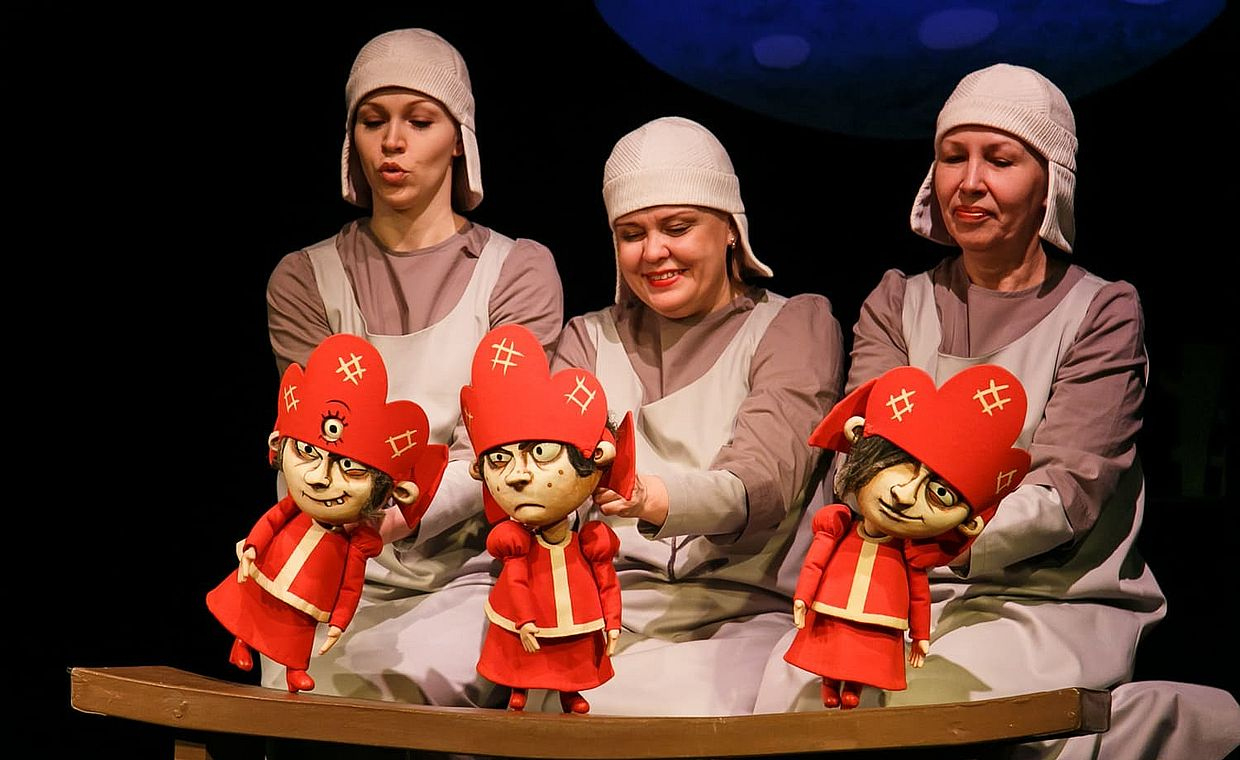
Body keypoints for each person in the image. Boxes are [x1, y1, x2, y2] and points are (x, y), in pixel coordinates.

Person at [754, 63, 1240, 759]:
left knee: (932, 703)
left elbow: (1068, 489)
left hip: (1043, 600)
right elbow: (862, 461)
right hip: (888, 589)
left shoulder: (1099, 311)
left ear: (1050, 181)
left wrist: (936, 532)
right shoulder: (896, 302)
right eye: (953, 157)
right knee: (790, 698)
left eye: (1000, 160)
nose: (970, 181)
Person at [262, 27, 564, 708]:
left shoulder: (516, 271)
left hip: (468, 573)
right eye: (373, 121)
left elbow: (502, 446)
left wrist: (401, 511)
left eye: (419, 121)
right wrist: (352, 507)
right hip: (325, 559)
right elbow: (318, 440)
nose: (392, 142)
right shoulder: (305, 278)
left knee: (412, 689)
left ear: (458, 138)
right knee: (297, 705)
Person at [541, 116, 846, 716]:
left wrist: (649, 497)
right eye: (631, 233)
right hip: (603, 616)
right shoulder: (586, 341)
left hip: (746, 618)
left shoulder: (793, 326)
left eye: (677, 227)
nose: (654, 251)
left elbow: (763, 479)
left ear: (730, 229)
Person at [207, 333, 448, 694]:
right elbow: (270, 522)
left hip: (312, 586)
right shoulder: (292, 508)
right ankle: (240, 644)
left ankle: (295, 669)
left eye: (350, 468)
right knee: (251, 603)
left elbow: (351, 582)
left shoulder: (358, 539)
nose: (320, 478)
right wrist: (253, 548)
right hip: (272, 565)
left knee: (298, 627)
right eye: (307, 453)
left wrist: (339, 621)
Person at [786, 364, 1030, 710]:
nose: (903, 494)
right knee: (827, 649)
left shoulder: (911, 555)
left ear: (969, 523)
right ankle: (829, 683)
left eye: (941, 493)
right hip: (831, 609)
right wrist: (803, 598)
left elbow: (918, 596)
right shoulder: (837, 525)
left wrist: (920, 637)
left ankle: (852, 684)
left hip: (882, 617)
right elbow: (815, 563)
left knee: (864, 653)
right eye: (895, 466)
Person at [461, 323, 634, 714]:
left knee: (572, 646)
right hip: (527, 621)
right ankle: (519, 684)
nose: (518, 476)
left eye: (541, 454)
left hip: (577, 609)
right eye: (499, 460)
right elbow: (516, 583)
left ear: (596, 460)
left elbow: (607, 583)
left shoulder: (592, 541)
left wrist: (612, 623)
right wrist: (524, 620)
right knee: (521, 654)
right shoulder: (515, 544)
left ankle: (570, 690)